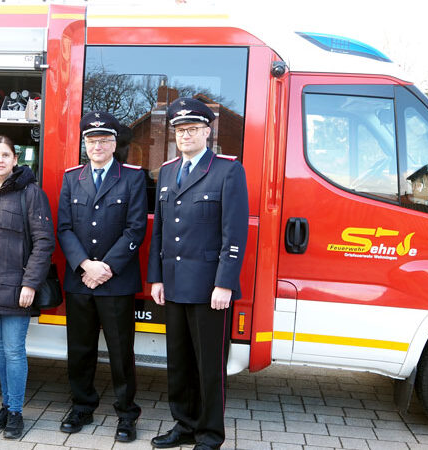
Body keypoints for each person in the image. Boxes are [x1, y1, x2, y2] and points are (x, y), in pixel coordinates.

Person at [147, 98, 249, 450]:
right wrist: (156, 278)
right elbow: (159, 231)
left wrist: (225, 282)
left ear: (208, 131)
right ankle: (184, 424)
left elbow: (234, 234)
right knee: (178, 362)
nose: (185, 135)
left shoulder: (227, 171)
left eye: (192, 129)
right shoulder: (169, 170)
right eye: (180, 129)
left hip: (209, 289)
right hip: (173, 284)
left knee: (209, 366)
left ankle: (209, 435)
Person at [56, 111, 147, 442]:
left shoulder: (132, 178)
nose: (97, 146)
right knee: (80, 349)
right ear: (84, 145)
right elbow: (64, 228)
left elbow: (136, 227)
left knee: (121, 352)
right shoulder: (71, 178)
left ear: (114, 144)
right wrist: (85, 265)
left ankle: (126, 414)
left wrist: (105, 267)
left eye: (103, 140)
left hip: (116, 280)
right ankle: (81, 406)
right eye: (91, 141)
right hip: (81, 280)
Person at [0, 135, 54, 439]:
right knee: (1, 350)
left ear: (15, 159)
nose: (0, 160)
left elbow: (44, 242)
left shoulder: (31, 193)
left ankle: (15, 412)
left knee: (15, 351)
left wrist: (30, 283)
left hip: (18, 289)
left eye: (6, 155)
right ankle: (6, 406)